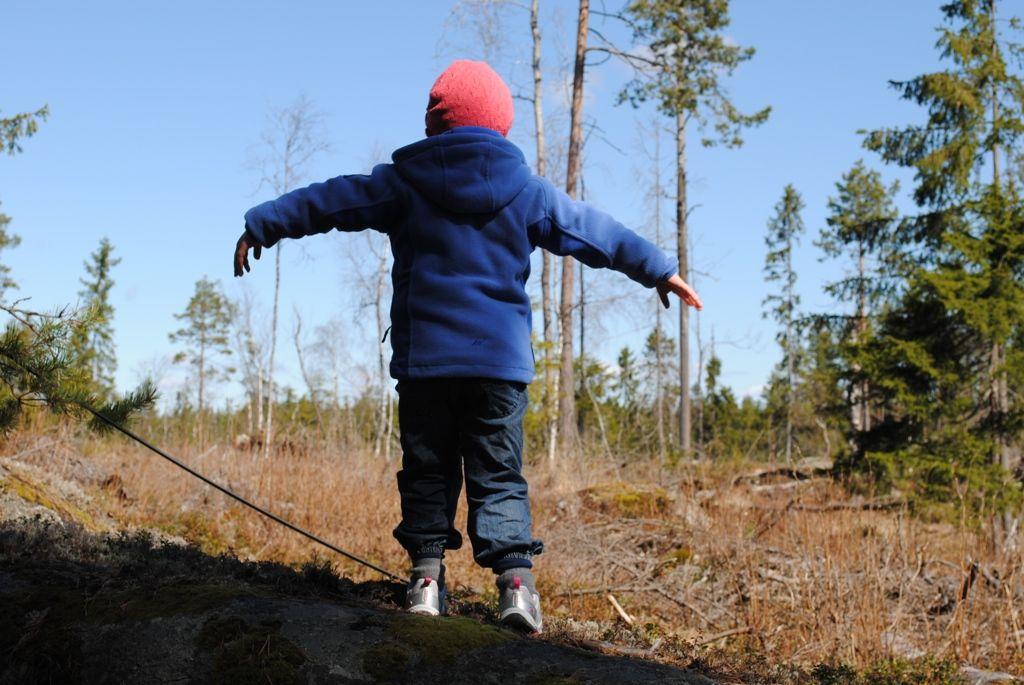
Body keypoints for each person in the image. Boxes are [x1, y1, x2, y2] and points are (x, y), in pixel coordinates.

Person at [233, 59, 702, 633]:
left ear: (433, 124)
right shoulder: (528, 192)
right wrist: (657, 269)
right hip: (499, 367)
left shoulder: (403, 182)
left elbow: (333, 200)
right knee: (498, 476)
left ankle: (426, 583)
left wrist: (264, 224)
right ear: (501, 126)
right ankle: (517, 589)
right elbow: (591, 230)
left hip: (427, 364)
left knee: (427, 472)